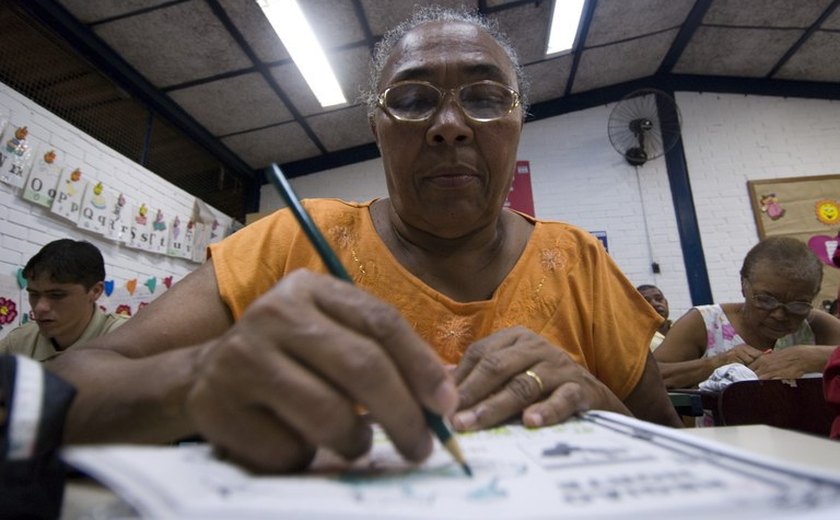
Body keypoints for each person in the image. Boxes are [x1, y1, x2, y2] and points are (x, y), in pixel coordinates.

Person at [47, 7, 679, 473]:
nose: (450, 126)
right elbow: (68, 383)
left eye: (486, 98)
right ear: (375, 126)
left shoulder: (574, 261)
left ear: (518, 123)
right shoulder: (294, 243)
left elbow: (678, 451)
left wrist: (598, 403)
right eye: (411, 100)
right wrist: (198, 376)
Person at [654, 236, 840, 389]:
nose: (779, 315)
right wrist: (715, 363)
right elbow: (650, 378)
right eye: (765, 300)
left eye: (798, 305)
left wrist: (813, 357)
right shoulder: (707, 323)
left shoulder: (817, 326)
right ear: (744, 286)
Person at [0, 239, 126, 361]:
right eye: (34, 294)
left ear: (95, 291)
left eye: (56, 295)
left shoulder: (126, 336)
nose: (39, 307)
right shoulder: (19, 342)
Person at [636, 284, 671, 351]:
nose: (655, 304)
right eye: (646, 302)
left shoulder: (683, 327)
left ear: (666, 303)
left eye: (659, 299)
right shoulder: (637, 340)